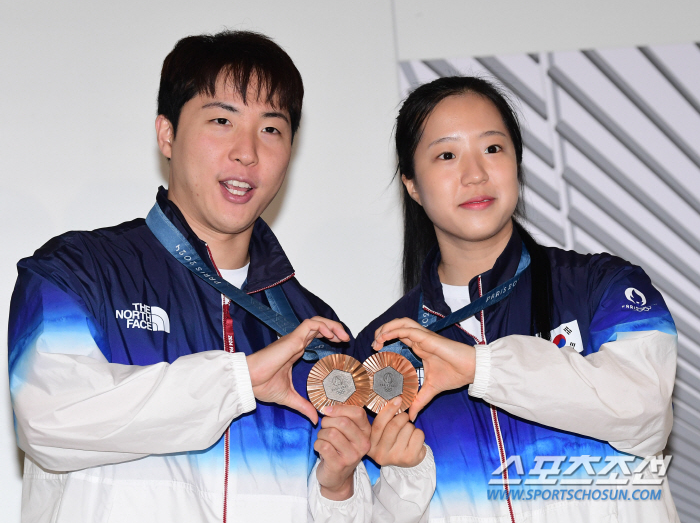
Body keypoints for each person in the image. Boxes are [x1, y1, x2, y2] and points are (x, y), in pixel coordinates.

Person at [8, 30, 434, 523]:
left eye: (271, 129)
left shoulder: (315, 329)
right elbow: (49, 419)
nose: (247, 152)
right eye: (221, 121)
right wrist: (239, 378)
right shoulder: (77, 270)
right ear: (167, 135)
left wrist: (336, 488)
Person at [357, 76, 680, 522]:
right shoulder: (380, 353)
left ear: (516, 163)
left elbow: (646, 414)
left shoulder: (602, 285)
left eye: (493, 149)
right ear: (412, 184)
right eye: (447, 155)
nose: (475, 174)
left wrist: (480, 367)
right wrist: (400, 479)